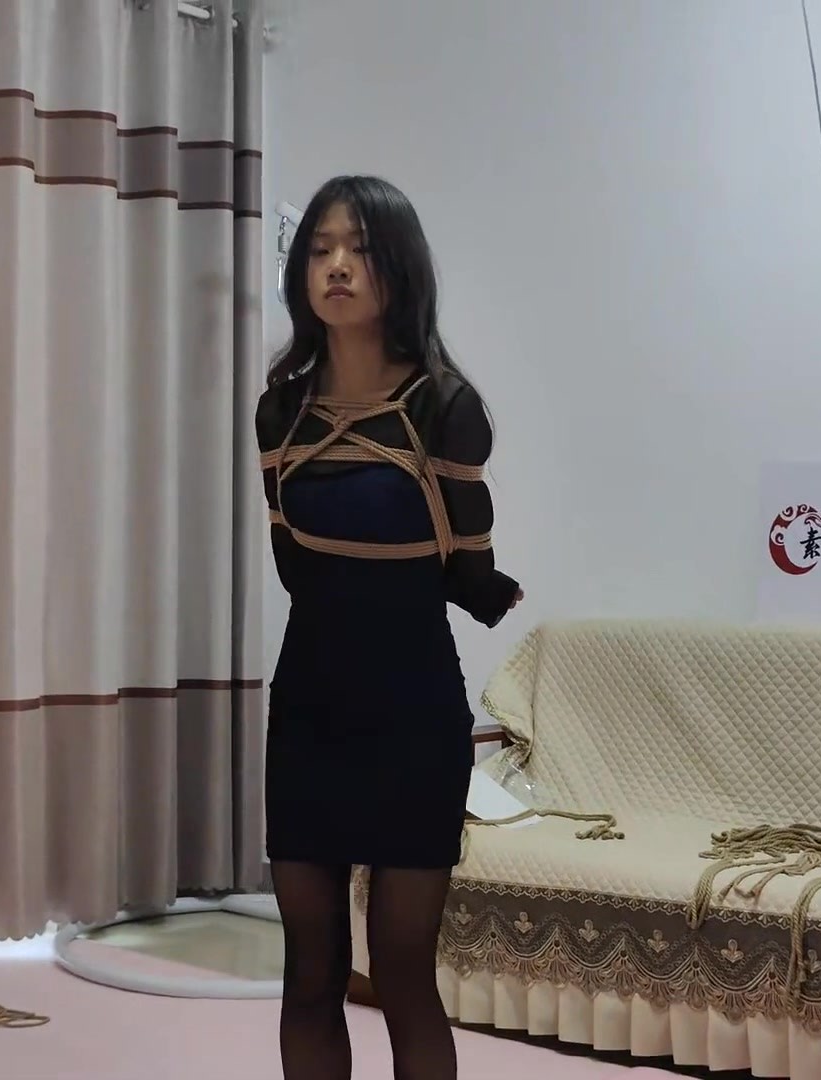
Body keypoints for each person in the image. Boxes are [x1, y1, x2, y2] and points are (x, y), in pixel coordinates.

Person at [255, 174, 524, 1080]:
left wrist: (486, 591)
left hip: (413, 715)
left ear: (399, 268)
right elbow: (294, 565)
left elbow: (468, 568)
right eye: (320, 249)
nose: (336, 266)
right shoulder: (280, 410)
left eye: (360, 249)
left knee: (403, 973)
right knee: (310, 972)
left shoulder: (446, 407)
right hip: (309, 712)